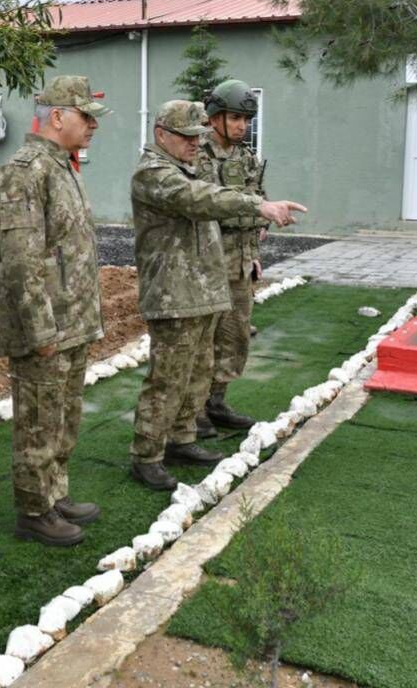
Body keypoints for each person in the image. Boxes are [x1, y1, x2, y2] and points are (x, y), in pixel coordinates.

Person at [129, 99, 306, 491]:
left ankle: (181, 439)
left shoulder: (187, 168)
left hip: (202, 288)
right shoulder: (154, 172)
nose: (195, 143)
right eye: (187, 136)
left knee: (197, 372)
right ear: (161, 135)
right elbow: (201, 199)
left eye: (199, 136)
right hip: (173, 293)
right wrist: (259, 206)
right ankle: (146, 456)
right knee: (167, 378)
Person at [0, 76, 110, 547]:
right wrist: (41, 332)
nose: (94, 125)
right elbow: (21, 261)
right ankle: (34, 510)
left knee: (63, 417)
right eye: (86, 116)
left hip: (71, 322)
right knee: (38, 421)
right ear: (57, 117)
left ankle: (55, 493)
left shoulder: (62, 167)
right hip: (47, 328)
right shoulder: (25, 173)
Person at [195, 78, 268, 433]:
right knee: (201, 339)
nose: (242, 126)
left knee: (234, 336)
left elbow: (258, 203)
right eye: (235, 118)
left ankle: (216, 401)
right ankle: (192, 410)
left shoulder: (246, 157)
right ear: (214, 117)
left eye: (247, 120)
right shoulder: (195, 154)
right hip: (205, 263)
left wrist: (254, 252)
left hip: (239, 261)